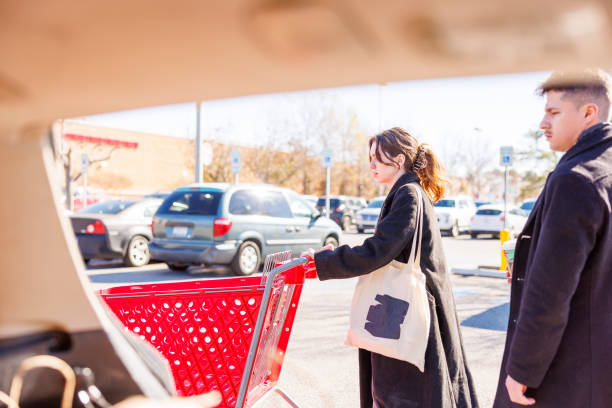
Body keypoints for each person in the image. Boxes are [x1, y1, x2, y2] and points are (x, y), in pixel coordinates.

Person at [304, 127, 479, 408]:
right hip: (406, 307)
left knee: (404, 395)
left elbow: (379, 250)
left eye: (378, 158)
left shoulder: (408, 194)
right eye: (370, 158)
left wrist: (322, 263)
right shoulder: (406, 192)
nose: (371, 165)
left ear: (399, 160)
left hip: (409, 310)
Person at [493, 69, 612, 408]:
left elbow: (550, 293)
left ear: (589, 112)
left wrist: (522, 371)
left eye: (554, 112)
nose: (543, 123)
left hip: (565, 375)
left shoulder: (575, 179)